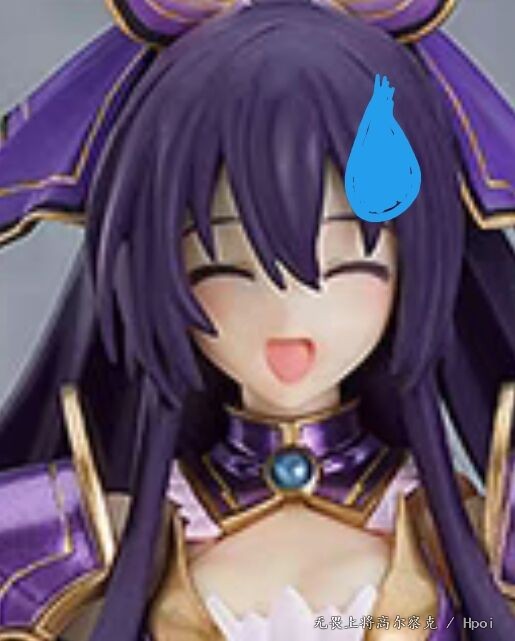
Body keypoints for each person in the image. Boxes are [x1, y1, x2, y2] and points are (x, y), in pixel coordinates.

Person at [1, 0, 515, 640]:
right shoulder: (84, 544)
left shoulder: (469, 533)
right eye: (227, 267)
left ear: (418, 266)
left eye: (349, 264)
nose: (289, 312)